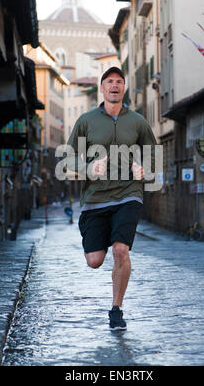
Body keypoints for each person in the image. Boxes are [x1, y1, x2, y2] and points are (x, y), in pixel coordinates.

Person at [67, 67, 157, 330]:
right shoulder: (86, 120)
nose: (114, 86)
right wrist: (87, 168)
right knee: (94, 260)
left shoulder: (138, 121)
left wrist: (145, 169)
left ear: (124, 88)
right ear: (102, 88)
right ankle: (103, 235)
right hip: (95, 197)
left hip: (129, 193)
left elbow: (152, 151)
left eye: (119, 81)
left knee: (121, 250)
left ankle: (116, 309)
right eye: (109, 82)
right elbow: (69, 155)